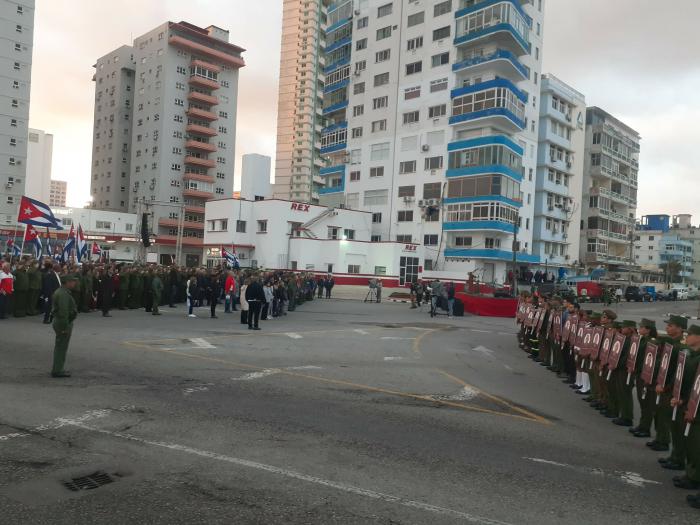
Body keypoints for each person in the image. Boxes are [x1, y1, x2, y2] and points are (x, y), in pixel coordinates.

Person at [50, 275, 78, 378]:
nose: (74, 283)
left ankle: (58, 368)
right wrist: (64, 328)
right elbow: (63, 312)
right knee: (61, 347)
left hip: (61, 321)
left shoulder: (62, 292)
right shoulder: (63, 294)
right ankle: (58, 370)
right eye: (73, 281)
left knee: (60, 346)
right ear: (67, 282)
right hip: (63, 323)